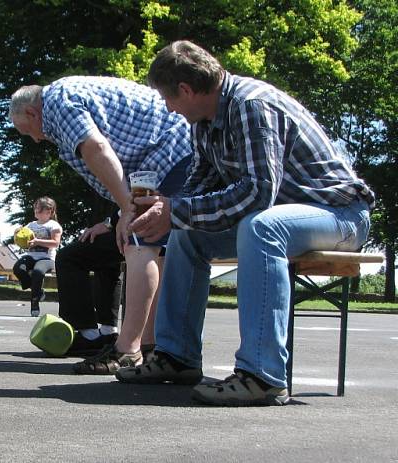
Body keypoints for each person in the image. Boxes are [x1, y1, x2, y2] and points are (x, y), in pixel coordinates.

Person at [115, 40, 375, 406]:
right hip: (285, 214)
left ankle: (262, 375)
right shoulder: (204, 121)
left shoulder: (251, 106)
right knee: (189, 236)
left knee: (262, 226)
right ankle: (176, 357)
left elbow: (258, 192)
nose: (169, 109)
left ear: (186, 90)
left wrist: (176, 210)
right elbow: (200, 186)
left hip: (341, 214)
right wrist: (168, 215)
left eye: (168, 99)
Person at [10, 76, 193, 375]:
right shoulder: (66, 97)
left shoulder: (57, 104)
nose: (34, 138)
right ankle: (149, 348)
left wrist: (126, 209)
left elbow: (96, 149)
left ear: (31, 113)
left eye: (26, 130)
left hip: (167, 154)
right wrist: (122, 212)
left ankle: (127, 350)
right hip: (169, 153)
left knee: (140, 243)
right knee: (155, 251)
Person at [55, 211, 124, 356]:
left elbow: (134, 197)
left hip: (137, 225)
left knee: (68, 257)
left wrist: (110, 223)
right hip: (144, 222)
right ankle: (107, 333)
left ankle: (88, 334)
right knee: (106, 262)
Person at [12, 197, 62, 317]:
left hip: (47, 258)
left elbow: (55, 243)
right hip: (31, 256)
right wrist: (17, 234)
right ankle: (38, 291)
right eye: (35, 208)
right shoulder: (31, 225)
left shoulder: (53, 225)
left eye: (39, 209)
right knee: (17, 268)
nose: (36, 210)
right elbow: (24, 239)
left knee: (37, 273)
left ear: (48, 211)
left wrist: (38, 241)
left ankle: (35, 304)